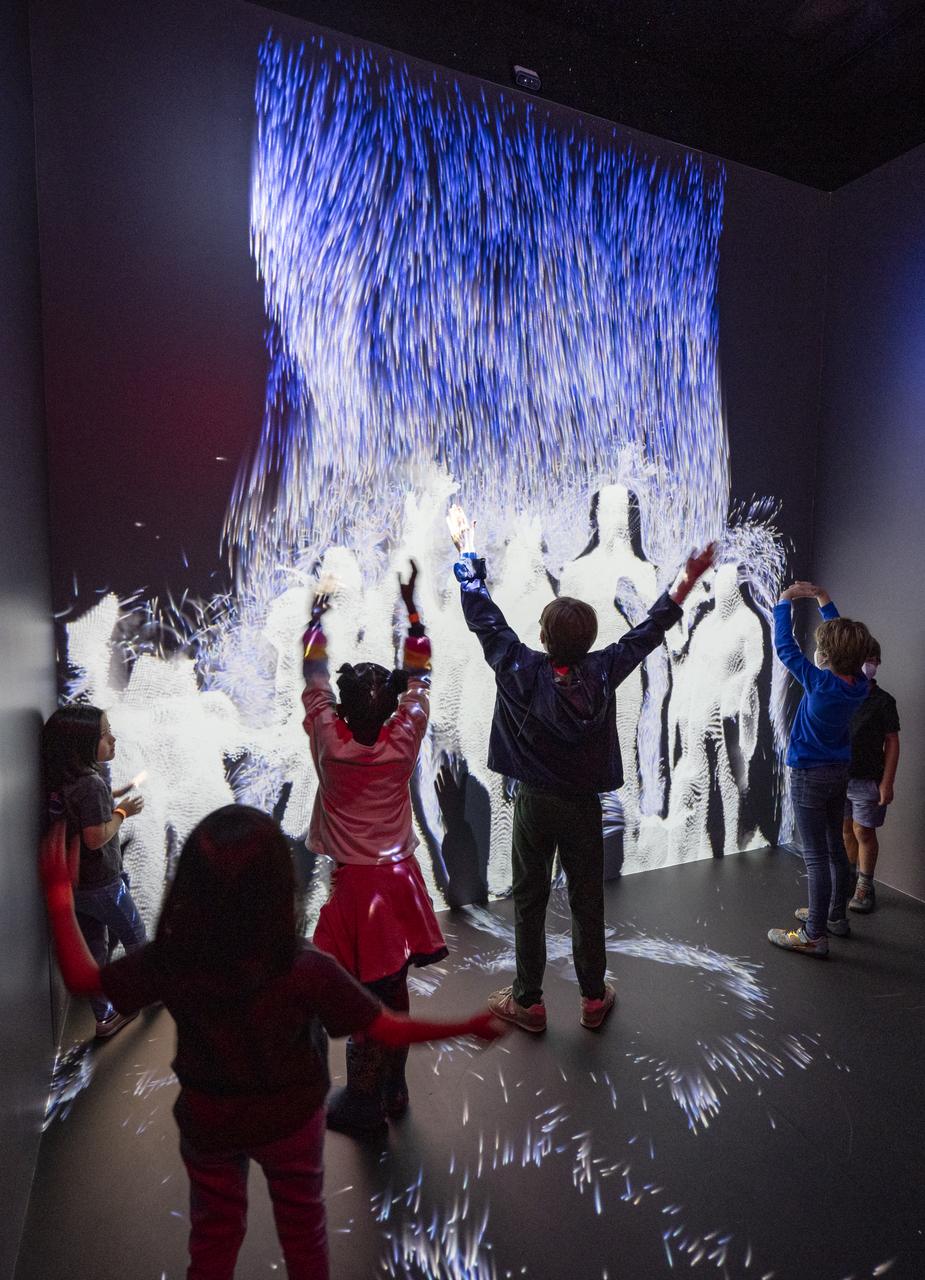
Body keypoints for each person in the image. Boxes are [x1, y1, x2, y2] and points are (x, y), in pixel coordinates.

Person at [41, 807, 503, 1280]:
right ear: (279, 888)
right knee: (304, 1231)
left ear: (191, 887)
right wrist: (464, 1026)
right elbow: (386, 1027)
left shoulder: (173, 960)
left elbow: (83, 979)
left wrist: (59, 896)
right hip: (291, 1122)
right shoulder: (305, 968)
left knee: (213, 1238)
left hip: (209, 1121)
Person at [447, 503, 715, 1031]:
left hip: (533, 805)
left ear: (543, 639)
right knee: (587, 899)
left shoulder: (517, 667)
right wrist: (686, 579)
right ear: (590, 639)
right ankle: (594, 999)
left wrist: (466, 552)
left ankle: (528, 1001)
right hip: (582, 806)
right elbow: (651, 629)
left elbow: (482, 613)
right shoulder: (602, 670)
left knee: (529, 899)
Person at [302, 562, 449, 1135]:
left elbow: (313, 670)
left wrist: (317, 614)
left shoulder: (328, 740)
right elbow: (421, 674)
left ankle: (361, 1098)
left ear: (340, 708)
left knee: (355, 994)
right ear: (387, 706)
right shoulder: (405, 734)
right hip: (397, 880)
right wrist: (412, 607)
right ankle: (395, 1089)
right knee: (394, 988)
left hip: (353, 889)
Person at [768, 582, 872, 956]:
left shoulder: (819, 681)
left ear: (827, 653)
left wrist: (784, 603)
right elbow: (847, 644)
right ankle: (834, 918)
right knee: (834, 850)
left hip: (810, 776)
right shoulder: (859, 684)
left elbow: (784, 648)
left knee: (815, 855)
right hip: (838, 772)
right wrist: (824, 599)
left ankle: (814, 935)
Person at [42, 704, 147, 1037]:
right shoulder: (91, 784)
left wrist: (112, 794)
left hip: (79, 887)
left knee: (95, 949)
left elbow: (80, 808)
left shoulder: (64, 778)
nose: (113, 740)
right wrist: (122, 811)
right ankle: (146, 992)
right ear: (80, 744)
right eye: (104, 735)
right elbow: (94, 837)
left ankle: (105, 1017)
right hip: (103, 884)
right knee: (136, 936)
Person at [841, 634, 900, 914]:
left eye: (873, 659)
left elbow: (892, 741)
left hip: (868, 779)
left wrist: (887, 782)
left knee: (863, 830)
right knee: (844, 829)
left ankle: (865, 885)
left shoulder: (883, 701)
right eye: (863, 659)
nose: (868, 664)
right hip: (838, 776)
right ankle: (847, 879)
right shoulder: (841, 694)